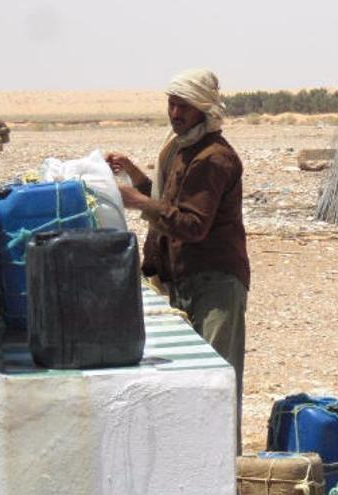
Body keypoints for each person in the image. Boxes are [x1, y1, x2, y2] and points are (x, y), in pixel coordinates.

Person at [107, 68, 249, 453]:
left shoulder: (212, 159)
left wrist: (136, 201)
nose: (174, 113)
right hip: (186, 280)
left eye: (182, 106)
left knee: (217, 382)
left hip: (215, 283)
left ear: (203, 108)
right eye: (171, 104)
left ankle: (223, 467)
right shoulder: (184, 150)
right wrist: (137, 175)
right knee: (197, 380)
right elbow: (169, 201)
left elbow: (191, 223)